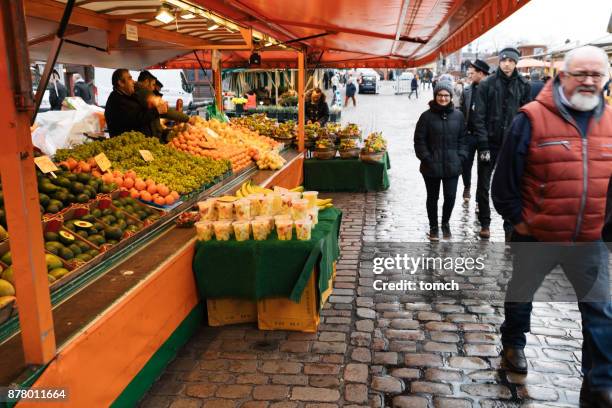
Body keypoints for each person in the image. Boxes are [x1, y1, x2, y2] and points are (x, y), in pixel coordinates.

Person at [492, 45, 612, 407]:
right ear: (563, 77)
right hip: (538, 235)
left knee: (601, 311)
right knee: (522, 293)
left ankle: (600, 383)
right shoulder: (530, 119)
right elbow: (504, 183)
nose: (589, 81)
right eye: (581, 74)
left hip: (589, 239)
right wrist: (522, 222)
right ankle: (513, 344)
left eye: (597, 75)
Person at [473, 47, 532, 239]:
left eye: (511, 61)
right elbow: (479, 117)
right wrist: (482, 145)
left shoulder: (524, 85)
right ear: (499, 61)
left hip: (512, 144)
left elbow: (527, 114)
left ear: (516, 63)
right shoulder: (487, 84)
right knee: (483, 184)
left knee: (512, 185)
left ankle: (509, 226)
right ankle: (485, 222)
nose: (507, 64)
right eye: (504, 60)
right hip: (489, 142)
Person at [414, 81, 467, 241]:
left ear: (451, 97)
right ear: (435, 96)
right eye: (440, 95)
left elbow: (463, 139)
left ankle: (445, 223)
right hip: (431, 166)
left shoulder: (458, 116)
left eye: (446, 95)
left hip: (453, 165)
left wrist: (461, 157)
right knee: (432, 197)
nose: (443, 98)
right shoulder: (426, 116)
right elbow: (419, 140)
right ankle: (433, 227)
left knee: (450, 196)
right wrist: (426, 157)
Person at [459, 59, 490, 203]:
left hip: (485, 138)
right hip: (469, 136)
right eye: (469, 73)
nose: (469, 76)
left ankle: (480, 199)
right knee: (466, 164)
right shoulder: (466, 91)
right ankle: (467, 186)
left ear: (481, 73)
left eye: (472, 73)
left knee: (483, 169)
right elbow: (460, 111)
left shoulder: (491, 91)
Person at [104, 69, 166, 137]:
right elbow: (137, 119)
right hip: (128, 145)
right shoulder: (116, 101)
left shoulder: (127, 96)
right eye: (130, 78)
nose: (133, 81)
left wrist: (150, 104)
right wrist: (156, 111)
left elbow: (140, 110)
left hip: (140, 142)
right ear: (121, 83)